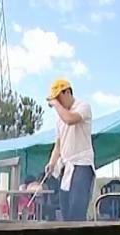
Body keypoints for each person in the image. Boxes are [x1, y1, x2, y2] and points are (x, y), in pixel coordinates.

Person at [45, 79, 95, 221]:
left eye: (58, 98)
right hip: (66, 167)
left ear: (67, 92)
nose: (57, 104)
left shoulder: (83, 107)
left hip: (82, 165)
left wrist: (54, 103)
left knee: (77, 211)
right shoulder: (59, 120)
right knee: (65, 210)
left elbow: (70, 119)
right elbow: (58, 145)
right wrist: (52, 163)